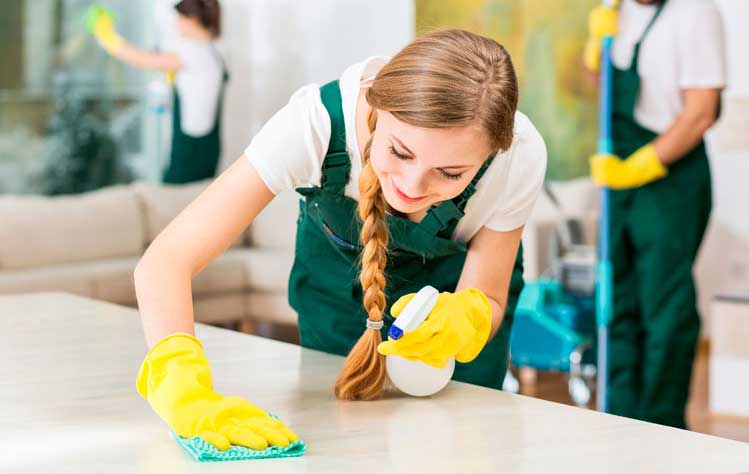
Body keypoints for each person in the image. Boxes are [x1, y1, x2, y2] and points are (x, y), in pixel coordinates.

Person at [134, 29, 547, 451]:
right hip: (338, 301)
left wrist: (470, 316)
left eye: (451, 173)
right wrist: (181, 386)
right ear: (373, 97)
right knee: (341, 443)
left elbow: (489, 296)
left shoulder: (520, 156)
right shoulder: (312, 125)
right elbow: (166, 261)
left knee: (464, 445)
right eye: (400, 152)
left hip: (448, 321)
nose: (412, 185)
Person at [584, 0, 725, 428]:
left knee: (663, 306)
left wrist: (642, 166)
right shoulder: (614, 10)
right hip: (620, 168)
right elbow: (603, 86)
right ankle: (621, 419)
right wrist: (596, 47)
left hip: (671, 178)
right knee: (617, 297)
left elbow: (700, 113)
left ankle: (662, 425)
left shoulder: (696, 13)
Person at [87, 0, 228, 184]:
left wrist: (106, 37)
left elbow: (141, 60)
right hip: (207, 144)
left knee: (176, 195)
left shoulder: (195, 52)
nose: (177, 23)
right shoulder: (213, 48)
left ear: (192, 19)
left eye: (180, 18)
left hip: (192, 147)